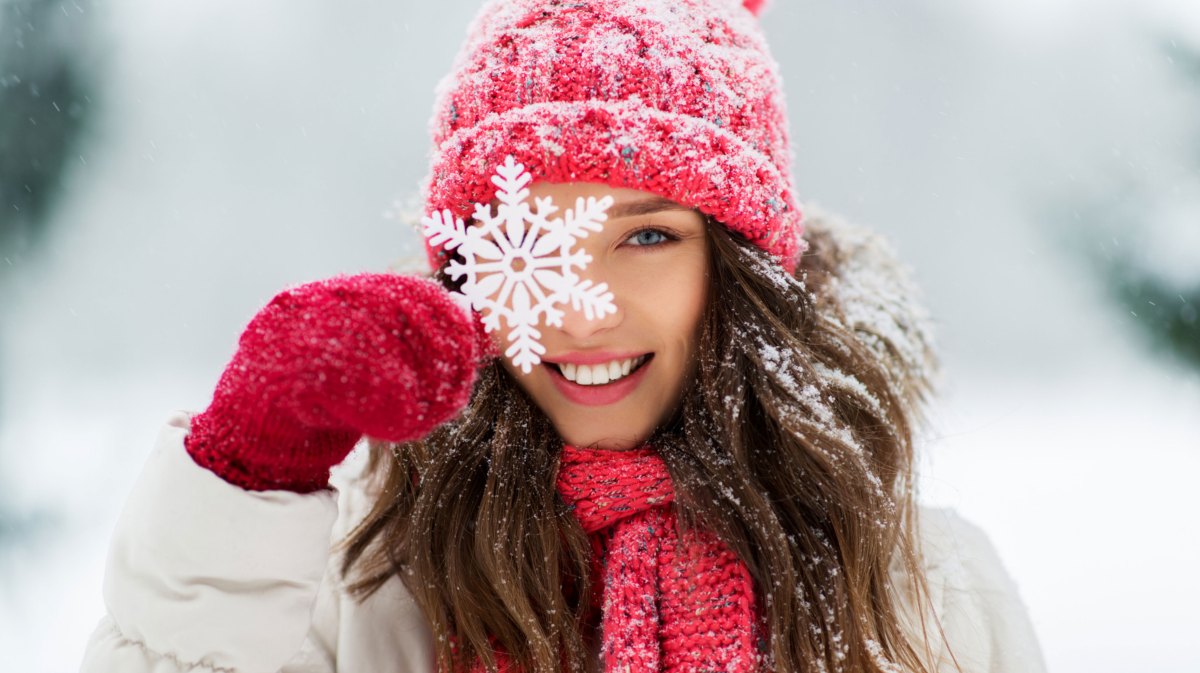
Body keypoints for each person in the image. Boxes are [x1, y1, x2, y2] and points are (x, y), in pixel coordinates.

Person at [81, 1, 1047, 672]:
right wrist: (251, 476)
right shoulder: (364, 584)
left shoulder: (927, 594)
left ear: (738, 268)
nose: (583, 309)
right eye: (530, 238)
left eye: (648, 236)